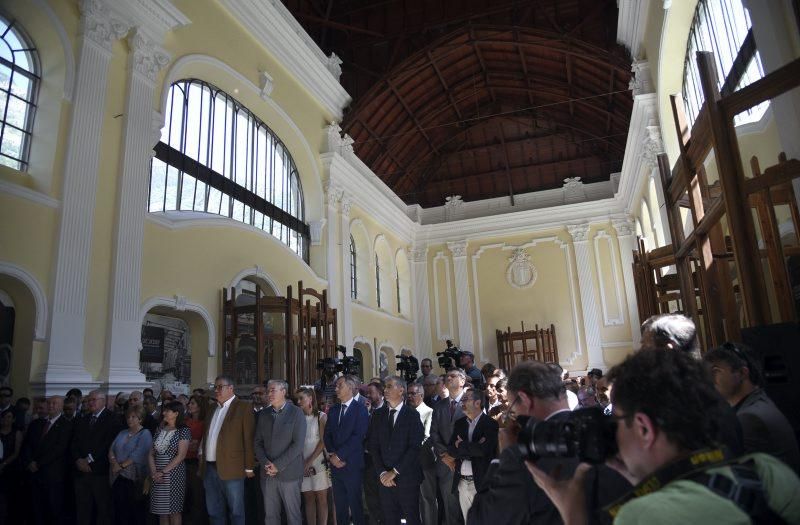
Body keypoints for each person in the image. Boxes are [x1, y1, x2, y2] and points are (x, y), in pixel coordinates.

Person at [530, 349, 800, 525]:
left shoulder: (642, 516)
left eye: (618, 422)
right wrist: (644, 479)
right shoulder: (765, 472)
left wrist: (573, 515)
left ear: (643, 429)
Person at [468, 361, 630, 524]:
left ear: (525, 399)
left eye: (512, 410)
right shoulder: (609, 430)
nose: (512, 417)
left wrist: (501, 458)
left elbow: (480, 518)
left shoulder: (521, 456)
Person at [704, 342, 800, 472]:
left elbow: (737, 477)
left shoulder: (750, 418)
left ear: (743, 373)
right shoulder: (758, 403)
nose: (710, 379)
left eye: (716, 371)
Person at [200, 375, 256, 525]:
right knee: (214, 511)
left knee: (236, 512)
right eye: (215, 387)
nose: (216, 390)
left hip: (233, 468)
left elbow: (248, 439)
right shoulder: (212, 408)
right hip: (209, 467)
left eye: (220, 387)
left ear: (231, 388)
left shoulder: (243, 407)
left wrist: (249, 467)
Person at [368, 376, 423, 525]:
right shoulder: (378, 415)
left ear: (401, 390)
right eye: (385, 387)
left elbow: (415, 447)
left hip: (407, 479)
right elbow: (373, 446)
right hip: (384, 480)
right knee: (389, 519)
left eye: (389, 386)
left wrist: (394, 472)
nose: (385, 390)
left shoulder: (412, 415)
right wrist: (382, 473)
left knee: (412, 518)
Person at [254, 379, 306, 525]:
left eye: (273, 390)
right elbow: (257, 443)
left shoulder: (296, 413)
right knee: (270, 517)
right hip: (267, 474)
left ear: (283, 392)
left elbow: (298, 445)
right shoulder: (263, 414)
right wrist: (266, 464)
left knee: (293, 516)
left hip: (289, 474)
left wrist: (277, 465)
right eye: (268, 390)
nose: (269, 393)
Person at [70, 389, 123, 524]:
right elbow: (74, 442)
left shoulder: (112, 419)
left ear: (103, 401)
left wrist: (88, 460)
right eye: (88, 400)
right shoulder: (83, 419)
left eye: (93, 400)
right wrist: (78, 460)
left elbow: (108, 445)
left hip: (100, 472)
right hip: (81, 472)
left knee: (103, 510)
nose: (90, 403)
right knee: (82, 509)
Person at [323, 375, 369, 525]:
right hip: (336, 466)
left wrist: (340, 455)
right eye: (336, 386)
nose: (336, 389)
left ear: (350, 388)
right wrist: (332, 455)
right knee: (340, 505)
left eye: (339, 386)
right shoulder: (334, 410)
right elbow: (327, 434)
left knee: (355, 505)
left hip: (352, 465)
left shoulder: (360, 409)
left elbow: (358, 436)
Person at [448, 388, 498, 522]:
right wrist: (473, 446)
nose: (462, 403)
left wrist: (462, 445)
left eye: (466, 399)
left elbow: (484, 451)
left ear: (477, 403)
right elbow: (451, 450)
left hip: (481, 482)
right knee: (467, 520)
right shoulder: (460, 423)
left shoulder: (490, 424)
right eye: (462, 400)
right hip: (462, 482)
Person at [23, 395, 73, 525]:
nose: (51, 406)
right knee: (36, 508)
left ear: (62, 407)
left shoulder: (66, 425)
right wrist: (29, 462)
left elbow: (59, 449)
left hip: (52, 474)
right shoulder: (37, 423)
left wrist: (38, 463)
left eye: (54, 403)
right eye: (49, 403)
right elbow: (27, 444)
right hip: (34, 473)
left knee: (53, 509)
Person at [430, 368, 468, 525]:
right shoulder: (439, 406)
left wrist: (456, 455)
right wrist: (445, 456)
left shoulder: (471, 402)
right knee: (449, 506)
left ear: (462, 381)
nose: (448, 378)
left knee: (468, 507)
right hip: (445, 464)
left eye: (453, 376)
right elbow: (434, 434)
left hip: (466, 462)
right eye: (447, 377)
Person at [149, 401, 190, 524]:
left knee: (174, 510)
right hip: (157, 474)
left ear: (176, 413)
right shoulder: (160, 429)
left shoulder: (183, 430)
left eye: (167, 411)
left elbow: (181, 455)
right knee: (161, 510)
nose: (164, 413)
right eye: (164, 410)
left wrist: (162, 472)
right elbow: (151, 453)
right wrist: (154, 472)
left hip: (174, 474)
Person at [110, 405, 152, 525]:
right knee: (119, 510)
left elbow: (139, 453)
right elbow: (111, 449)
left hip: (134, 479)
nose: (130, 419)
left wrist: (121, 466)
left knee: (134, 511)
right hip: (117, 476)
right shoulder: (123, 432)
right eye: (128, 417)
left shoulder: (145, 433)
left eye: (134, 417)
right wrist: (114, 462)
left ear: (140, 419)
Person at [295, 387, 330, 525]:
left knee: (321, 499)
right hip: (301, 462)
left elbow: (323, 441)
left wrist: (309, 462)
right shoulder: (297, 418)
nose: (298, 401)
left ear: (310, 398)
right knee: (308, 498)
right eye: (297, 399)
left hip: (318, 462)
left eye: (301, 398)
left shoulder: (321, 416)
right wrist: (302, 463)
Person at [407, 383, 436, 525]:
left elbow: (426, 436)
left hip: (424, 461)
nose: (410, 396)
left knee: (427, 498)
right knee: (412, 499)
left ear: (422, 395)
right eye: (409, 393)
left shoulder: (429, 412)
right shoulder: (406, 412)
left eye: (413, 393)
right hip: (408, 465)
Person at [184, 395, 209, 525]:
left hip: (195, 462)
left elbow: (197, 445)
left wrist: (188, 444)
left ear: (200, 406)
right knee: (185, 495)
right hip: (182, 460)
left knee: (196, 495)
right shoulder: (185, 421)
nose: (189, 405)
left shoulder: (204, 423)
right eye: (189, 403)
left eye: (193, 403)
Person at [0, 408, 23, 522]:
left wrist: (3, 464)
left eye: (9, 417)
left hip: (10, 468)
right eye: (4, 417)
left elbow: (16, 453)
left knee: (8, 498)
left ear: (13, 419)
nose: (6, 419)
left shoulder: (17, 433)